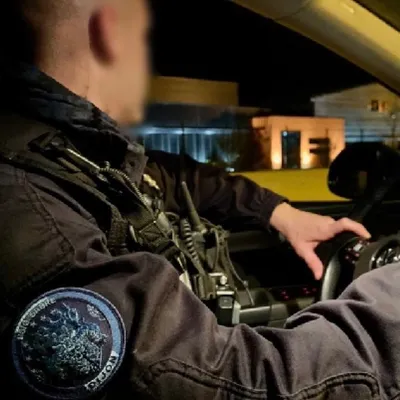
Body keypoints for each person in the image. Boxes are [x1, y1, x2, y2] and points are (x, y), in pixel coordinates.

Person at [0, 0, 399, 399]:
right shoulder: (25, 205)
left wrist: (280, 213)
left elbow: (175, 179)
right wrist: (388, 310)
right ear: (108, 29)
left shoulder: (66, 156)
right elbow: (229, 382)